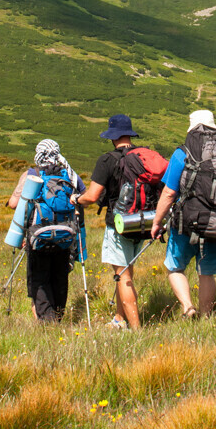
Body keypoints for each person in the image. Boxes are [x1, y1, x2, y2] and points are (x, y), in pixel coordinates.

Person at [150, 110, 216, 318]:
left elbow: (169, 193)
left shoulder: (183, 153)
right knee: (207, 273)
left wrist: (157, 222)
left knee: (175, 268)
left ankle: (188, 308)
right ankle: (206, 317)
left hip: (185, 223)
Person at [74, 114, 148, 330]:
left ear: (113, 137)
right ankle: (119, 318)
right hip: (141, 221)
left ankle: (136, 330)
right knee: (127, 271)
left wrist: (77, 199)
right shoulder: (142, 156)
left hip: (119, 224)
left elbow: (93, 196)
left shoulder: (107, 160)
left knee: (122, 275)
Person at [7, 139, 86, 322]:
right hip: (66, 235)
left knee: (39, 278)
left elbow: (13, 204)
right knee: (60, 276)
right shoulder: (69, 174)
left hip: (38, 235)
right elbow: (83, 196)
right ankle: (58, 316)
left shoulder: (32, 174)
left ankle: (47, 321)